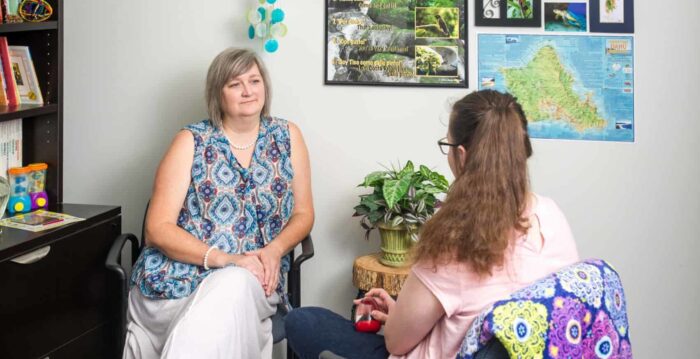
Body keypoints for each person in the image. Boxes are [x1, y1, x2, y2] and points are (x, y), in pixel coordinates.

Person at [285, 90, 579, 359]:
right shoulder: (550, 215)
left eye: (447, 145)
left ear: (461, 156)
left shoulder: (456, 237)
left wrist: (398, 321)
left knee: (302, 321)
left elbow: (397, 343)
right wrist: (400, 313)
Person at [123, 48, 314, 359]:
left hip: (255, 273)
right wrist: (227, 259)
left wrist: (274, 250)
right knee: (229, 288)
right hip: (176, 278)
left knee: (234, 287)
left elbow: (304, 214)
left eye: (254, 80)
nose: (248, 91)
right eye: (235, 84)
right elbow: (157, 230)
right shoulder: (190, 141)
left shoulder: (287, 136)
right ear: (217, 94)